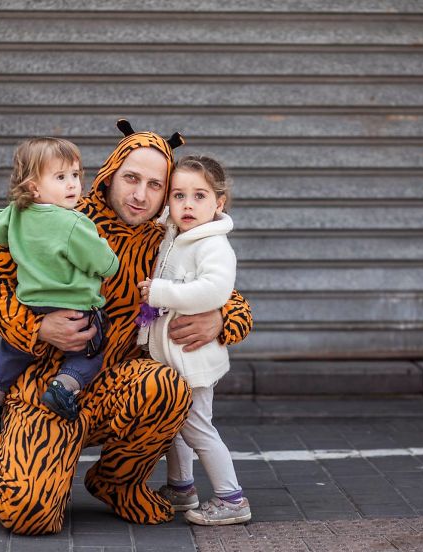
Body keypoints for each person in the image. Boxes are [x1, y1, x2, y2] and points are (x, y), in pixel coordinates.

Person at [0, 120, 253, 535]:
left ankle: (119, 483)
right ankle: (2, 457)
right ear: (110, 174)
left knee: (167, 385)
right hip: (51, 389)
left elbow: (232, 297)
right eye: (132, 178)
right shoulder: (58, 217)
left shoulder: (167, 240)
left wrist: (221, 319)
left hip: (118, 383)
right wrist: (37, 327)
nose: (140, 195)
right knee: (30, 515)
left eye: (155, 185)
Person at [0, 137, 119, 433]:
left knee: (11, 352)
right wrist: (106, 252)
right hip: (75, 308)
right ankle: (63, 388)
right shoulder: (74, 223)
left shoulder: (16, 214)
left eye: (76, 175)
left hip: (31, 307)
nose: (73, 185)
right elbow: (106, 264)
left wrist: (16, 212)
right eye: (61, 177)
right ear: (34, 187)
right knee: (89, 354)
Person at [137, 155, 250, 526]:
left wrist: (159, 292)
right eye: (178, 195)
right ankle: (181, 488)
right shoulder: (175, 235)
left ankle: (232, 498)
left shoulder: (213, 245)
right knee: (176, 426)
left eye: (199, 196)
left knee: (198, 428)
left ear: (219, 203)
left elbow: (214, 291)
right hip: (173, 358)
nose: (187, 204)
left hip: (192, 358)